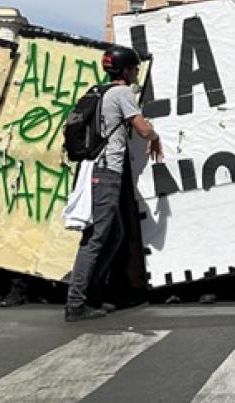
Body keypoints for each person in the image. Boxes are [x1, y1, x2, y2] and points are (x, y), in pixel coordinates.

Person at [64, 45, 162, 322]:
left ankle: (91, 294)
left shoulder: (99, 90)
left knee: (114, 234)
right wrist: (154, 137)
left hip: (97, 169)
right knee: (95, 239)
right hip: (106, 172)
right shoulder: (122, 93)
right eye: (134, 69)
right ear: (127, 70)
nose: (136, 74)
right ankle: (76, 303)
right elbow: (142, 129)